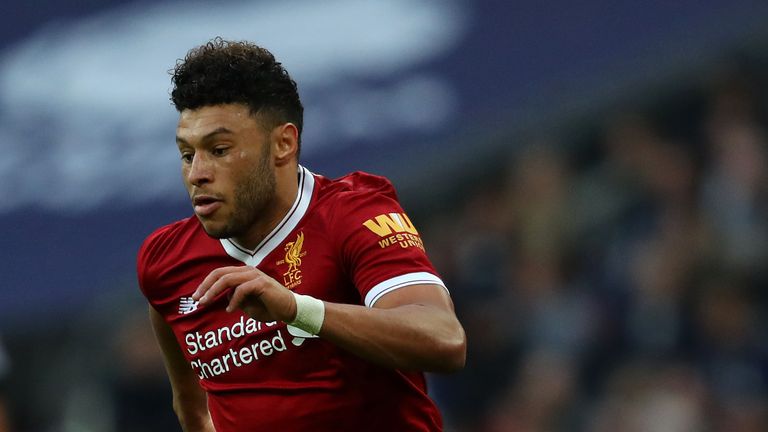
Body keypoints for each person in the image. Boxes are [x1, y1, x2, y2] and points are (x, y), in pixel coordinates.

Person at [137, 38, 466, 432]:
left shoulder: (353, 214)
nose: (197, 174)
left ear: (283, 144)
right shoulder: (165, 262)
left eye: (220, 149)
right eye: (187, 154)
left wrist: (298, 310)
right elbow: (193, 410)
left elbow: (444, 339)